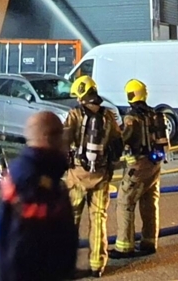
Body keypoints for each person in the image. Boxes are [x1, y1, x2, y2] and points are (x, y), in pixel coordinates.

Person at [0, 111, 77, 281]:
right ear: (49, 137)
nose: (65, 142)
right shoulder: (31, 178)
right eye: (61, 135)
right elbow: (26, 242)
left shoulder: (39, 171)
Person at [64, 75, 122, 277]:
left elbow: (64, 142)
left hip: (77, 177)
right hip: (101, 176)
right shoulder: (109, 116)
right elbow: (118, 146)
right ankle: (97, 264)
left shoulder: (75, 115)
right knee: (98, 220)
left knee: (71, 221)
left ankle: (67, 263)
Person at [112, 79, 170, 259]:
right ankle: (149, 242)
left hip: (138, 166)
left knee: (124, 203)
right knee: (149, 202)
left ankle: (124, 246)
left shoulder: (132, 118)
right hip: (155, 165)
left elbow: (123, 140)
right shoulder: (155, 114)